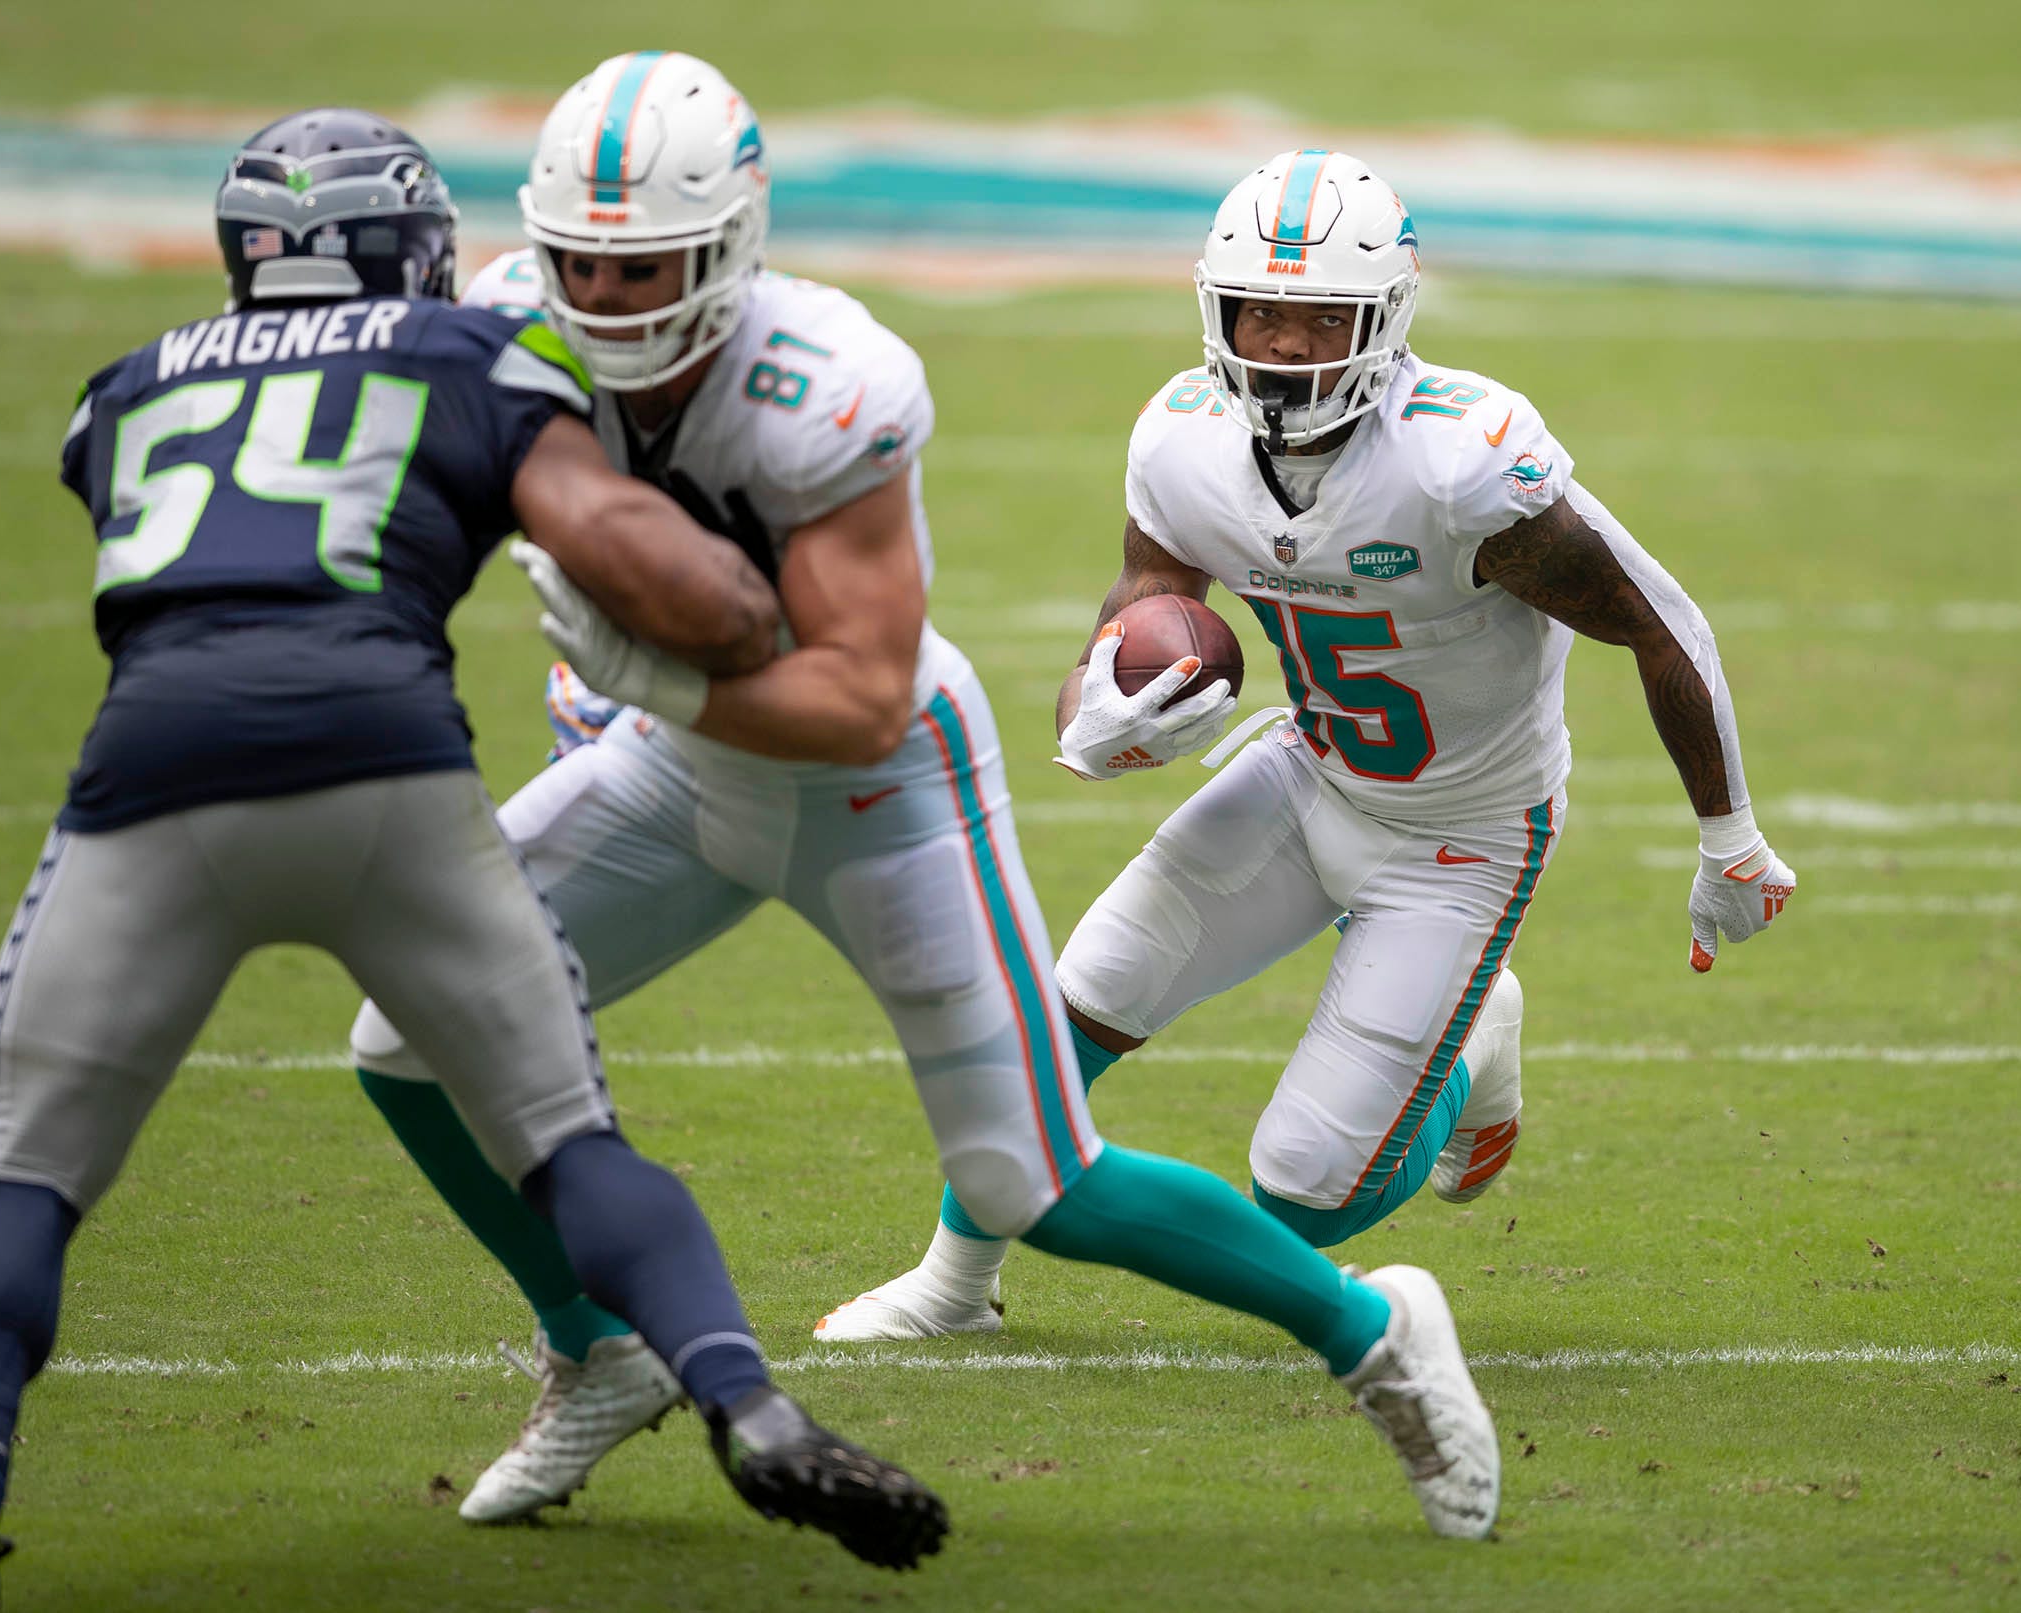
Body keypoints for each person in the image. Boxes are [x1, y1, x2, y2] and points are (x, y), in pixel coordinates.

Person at [347, 57, 1504, 1543]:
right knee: (407, 1041)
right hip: (673, 761)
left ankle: (1374, 1334)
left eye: (649, 269)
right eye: (581, 263)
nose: (610, 300)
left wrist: (649, 670)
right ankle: (597, 1346)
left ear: (733, 246)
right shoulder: (504, 324)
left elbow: (857, 699)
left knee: (1031, 1180)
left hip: (878, 781)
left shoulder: (825, 381)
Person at [0, 109, 946, 1611]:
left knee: (21, 1182)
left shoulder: (121, 392)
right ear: (419, 250)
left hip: (154, 778)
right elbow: (665, 576)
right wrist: (709, 626)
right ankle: (746, 1401)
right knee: (568, 1139)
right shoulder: (465, 357)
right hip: (381, 764)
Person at [815, 148, 1800, 1342]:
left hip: (1463, 836)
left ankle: (1479, 1042)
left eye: (1317, 315)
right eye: (1260, 311)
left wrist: (1730, 835)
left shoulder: (1461, 462)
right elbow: (1141, 599)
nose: (1281, 343)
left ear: (1381, 319)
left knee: (1307, 1186)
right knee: (1071, 1002)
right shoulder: (1185, 438)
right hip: (1306, 772)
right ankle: (954, 1283)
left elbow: (1658, 620)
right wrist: (1100, 708)